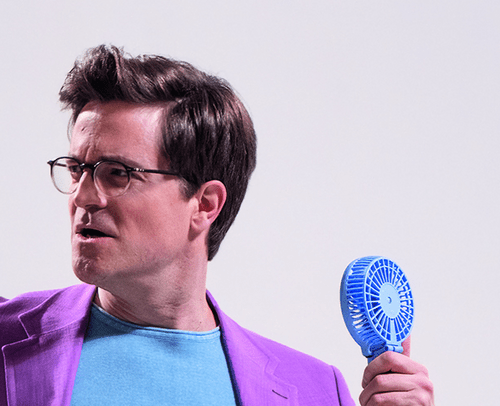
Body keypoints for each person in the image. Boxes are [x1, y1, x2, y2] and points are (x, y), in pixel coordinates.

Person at [0, 45, 434, 405]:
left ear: (205, 204)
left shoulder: (316, 391)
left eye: (117, 173)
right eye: (78, 169)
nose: (82, 196)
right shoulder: (6, 339)